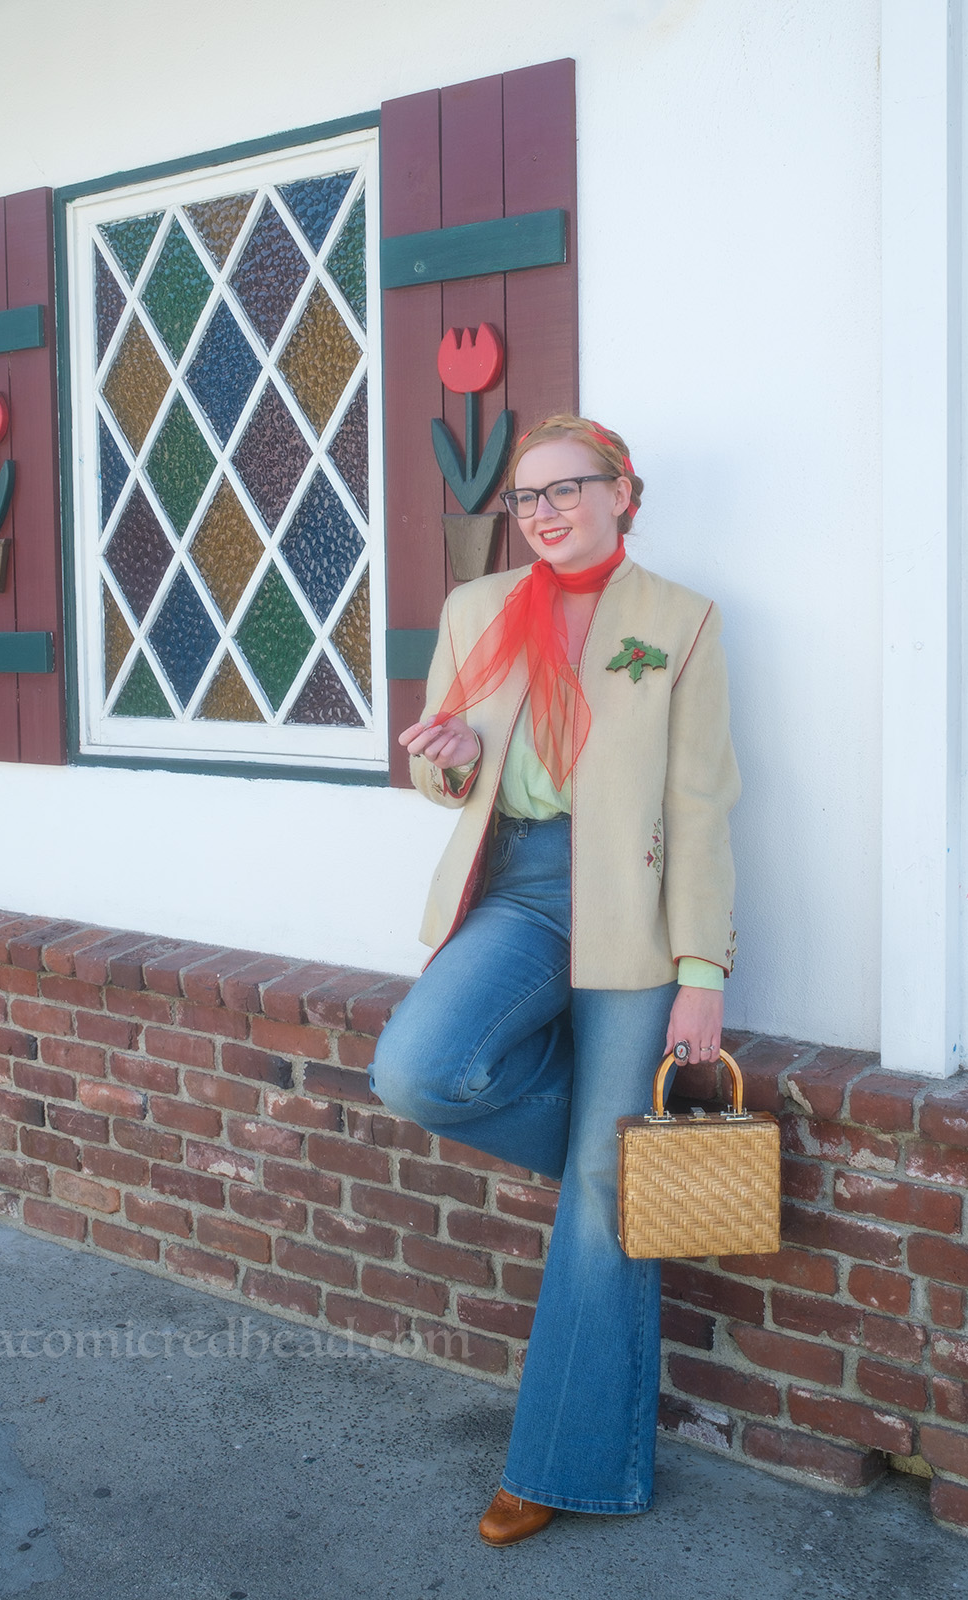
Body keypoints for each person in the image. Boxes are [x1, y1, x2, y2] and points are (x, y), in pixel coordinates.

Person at [370, 414, 739, 1546]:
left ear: (623, 493)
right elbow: (452, 771)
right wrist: (452, 765)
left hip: (632, 906)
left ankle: (565, 1466)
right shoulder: (477, 609)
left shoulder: (676, 622)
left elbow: (701, 806)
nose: (540, 511)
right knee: (419, 1069)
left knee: (595, 1195)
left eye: (565, 488)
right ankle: (606, 1170)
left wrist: (699, 974)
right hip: (524, 887)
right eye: (524, 497)